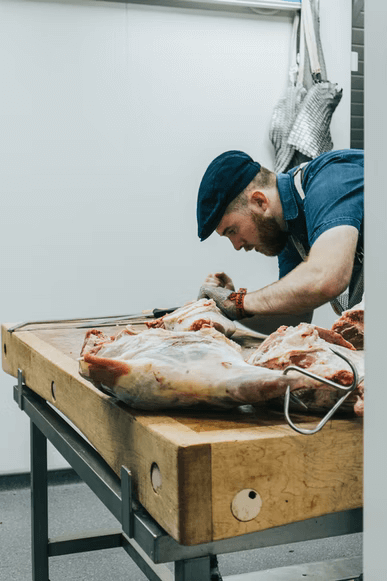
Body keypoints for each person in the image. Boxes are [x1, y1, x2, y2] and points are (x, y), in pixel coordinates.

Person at [197, 149, 364, 334]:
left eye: (232, 231)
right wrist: (228, 307)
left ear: (260, 201)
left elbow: (327, 277)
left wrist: (237, 302)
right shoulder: (287, 228)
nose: (237, 245)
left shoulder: (330, 178)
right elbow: (294, 317)